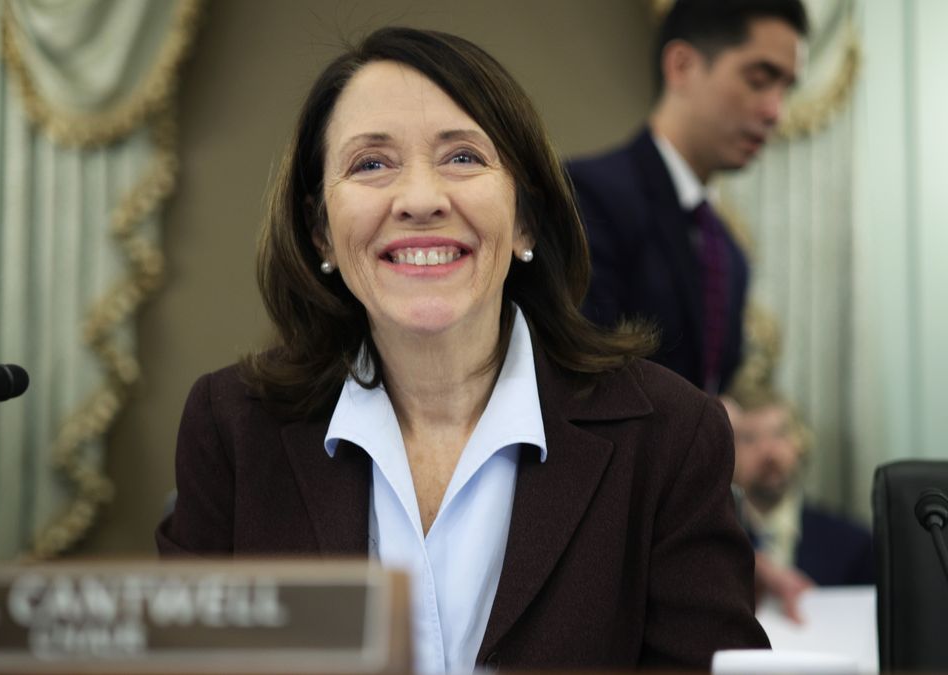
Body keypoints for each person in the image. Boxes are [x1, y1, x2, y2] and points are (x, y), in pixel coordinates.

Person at [157, 26, 766, 672]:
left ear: (526, 218)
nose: (420, 200)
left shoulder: (670, 435)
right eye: (371, 163)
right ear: (321, 234)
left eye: (463, 158)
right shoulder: (231, 427)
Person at [568, 0, 807, 394]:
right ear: (682, 66)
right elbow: (576, 383)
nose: (775, 111)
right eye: (760, 79)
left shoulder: (729, 253)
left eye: (785, 89)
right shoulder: (588, 196)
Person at [725, 392, 874, 588]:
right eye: (749, 439)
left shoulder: (854, 545)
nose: (768, 451)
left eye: (779, 434)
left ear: (800, 443)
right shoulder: (711, 547)